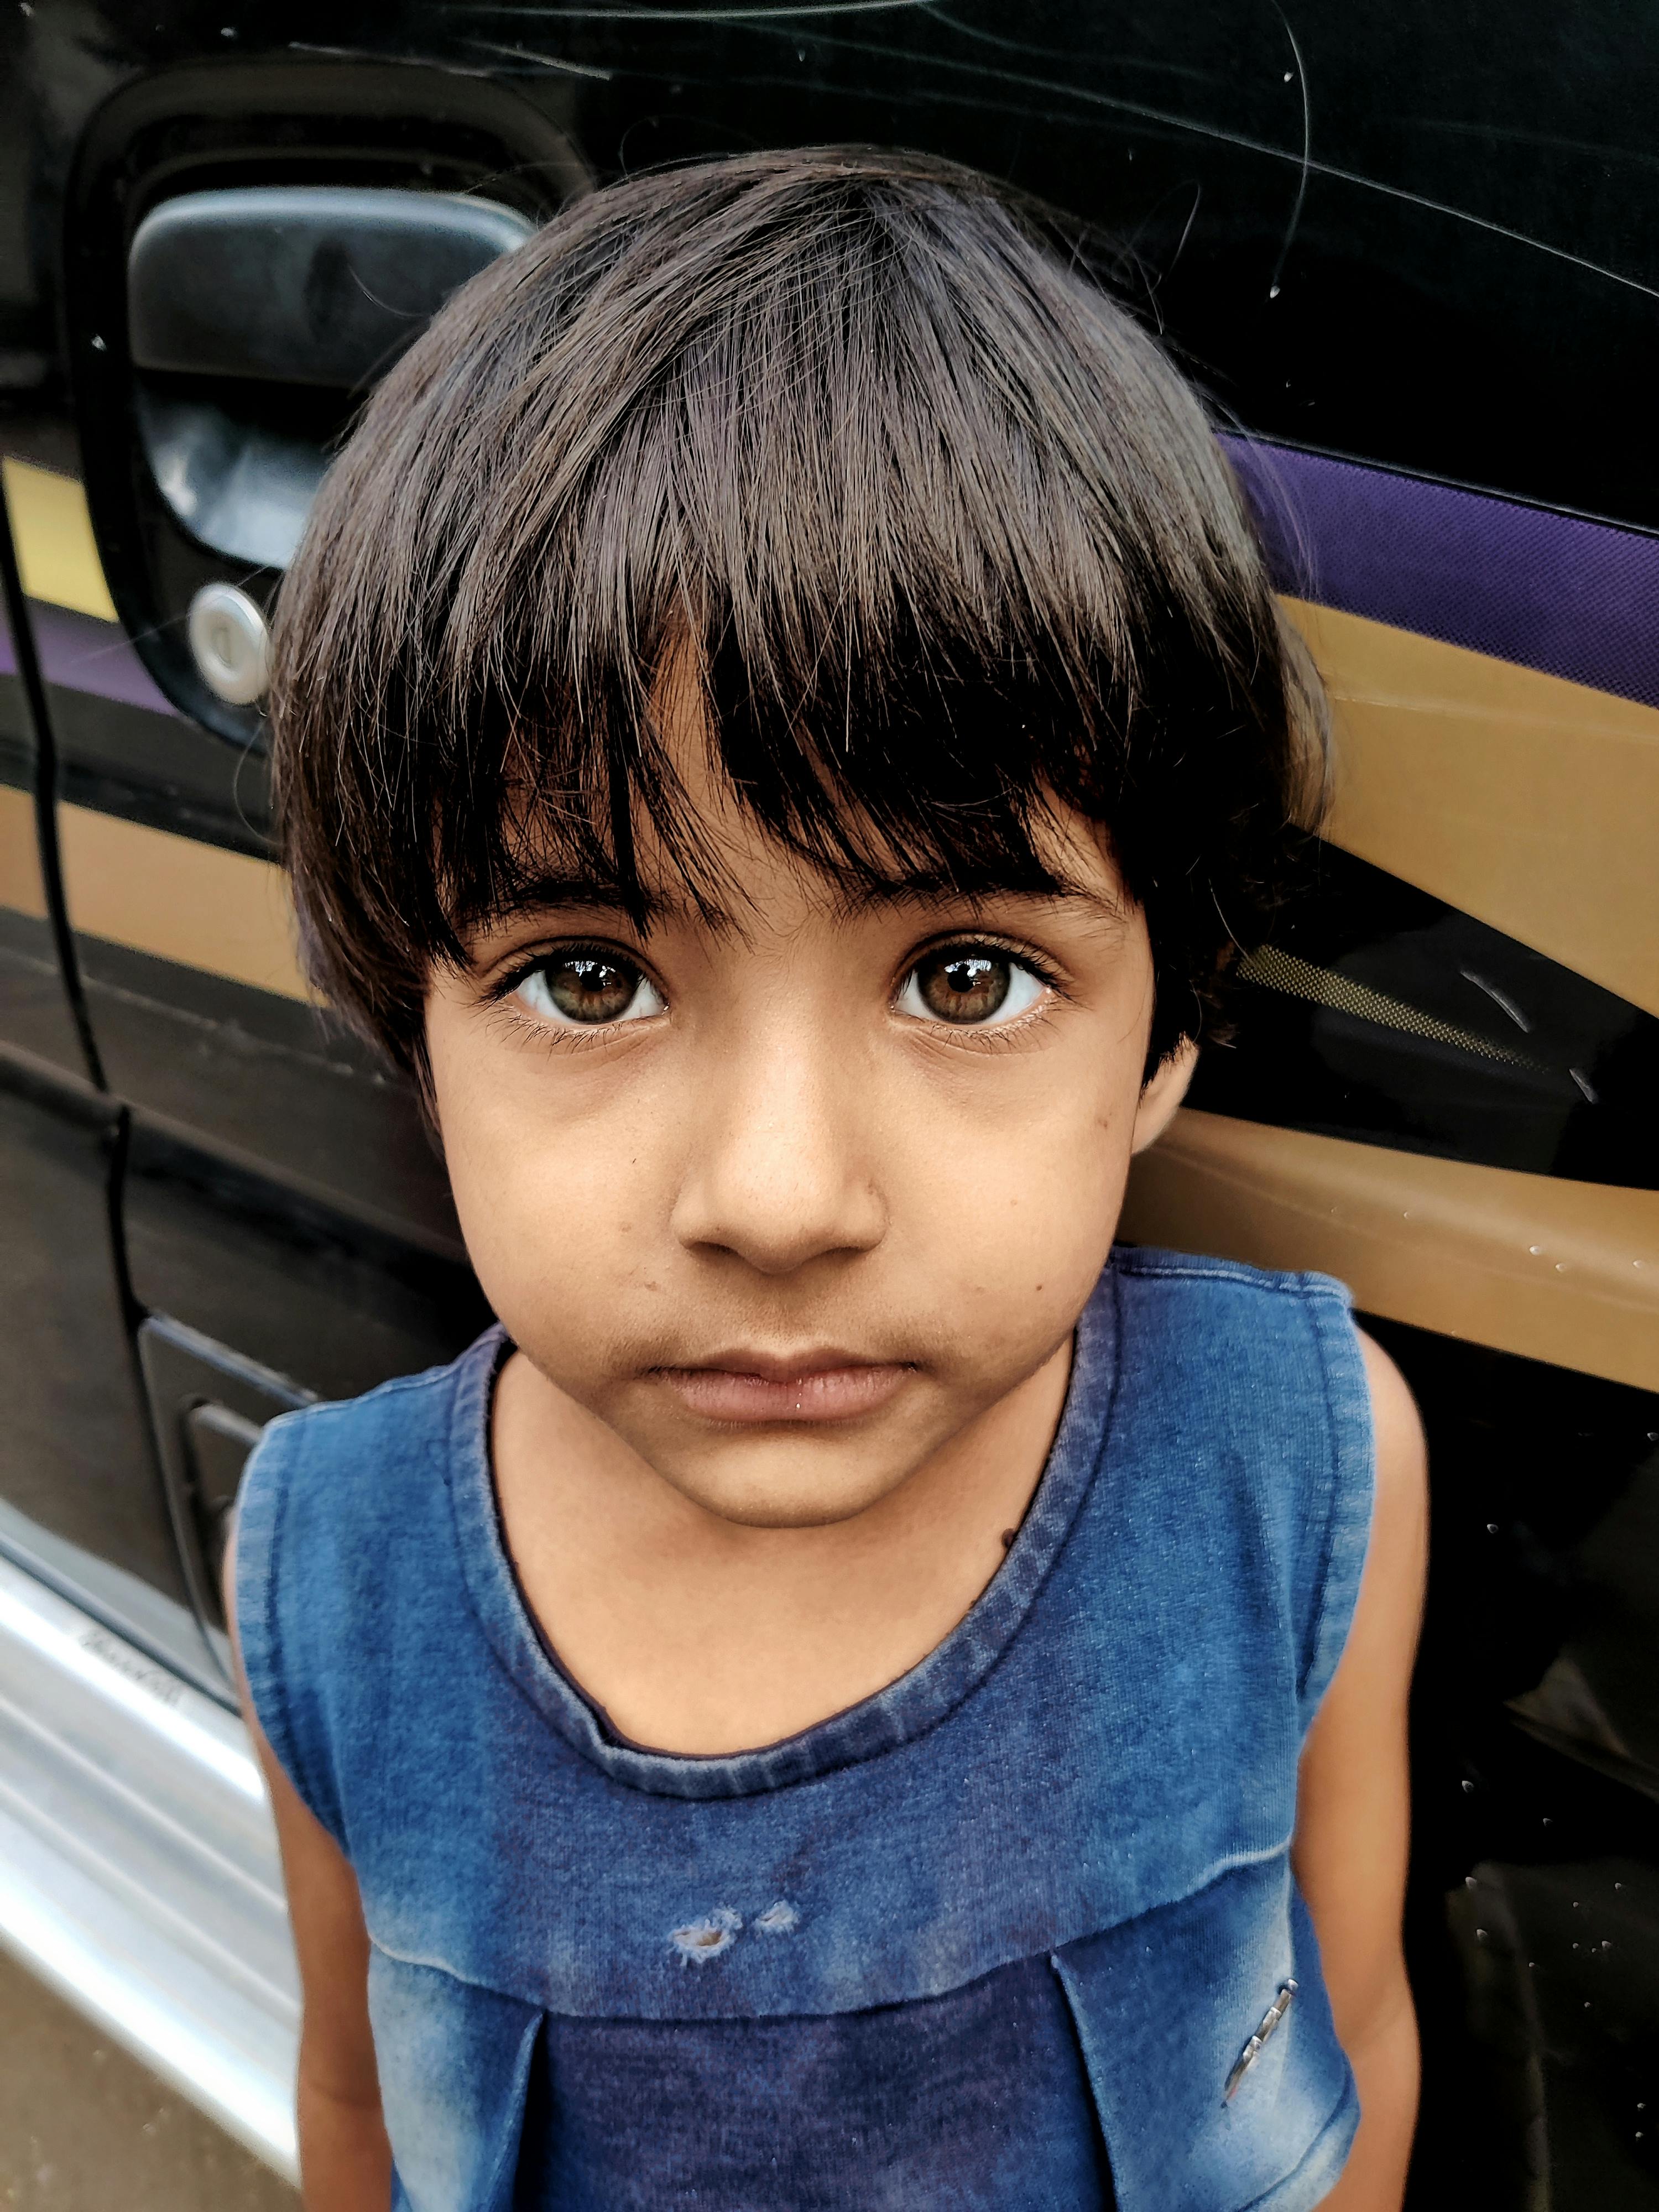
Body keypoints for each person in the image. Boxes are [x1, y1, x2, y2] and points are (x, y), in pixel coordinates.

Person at [227, 148, 1427, 2212]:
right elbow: (356, 2111)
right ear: (405, 1025)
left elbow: (1352, 2026)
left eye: (967, 975)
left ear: (1169, 1026)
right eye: (588, 977)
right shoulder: (334, 1583)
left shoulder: (1301, 1471)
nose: (779, 1200)